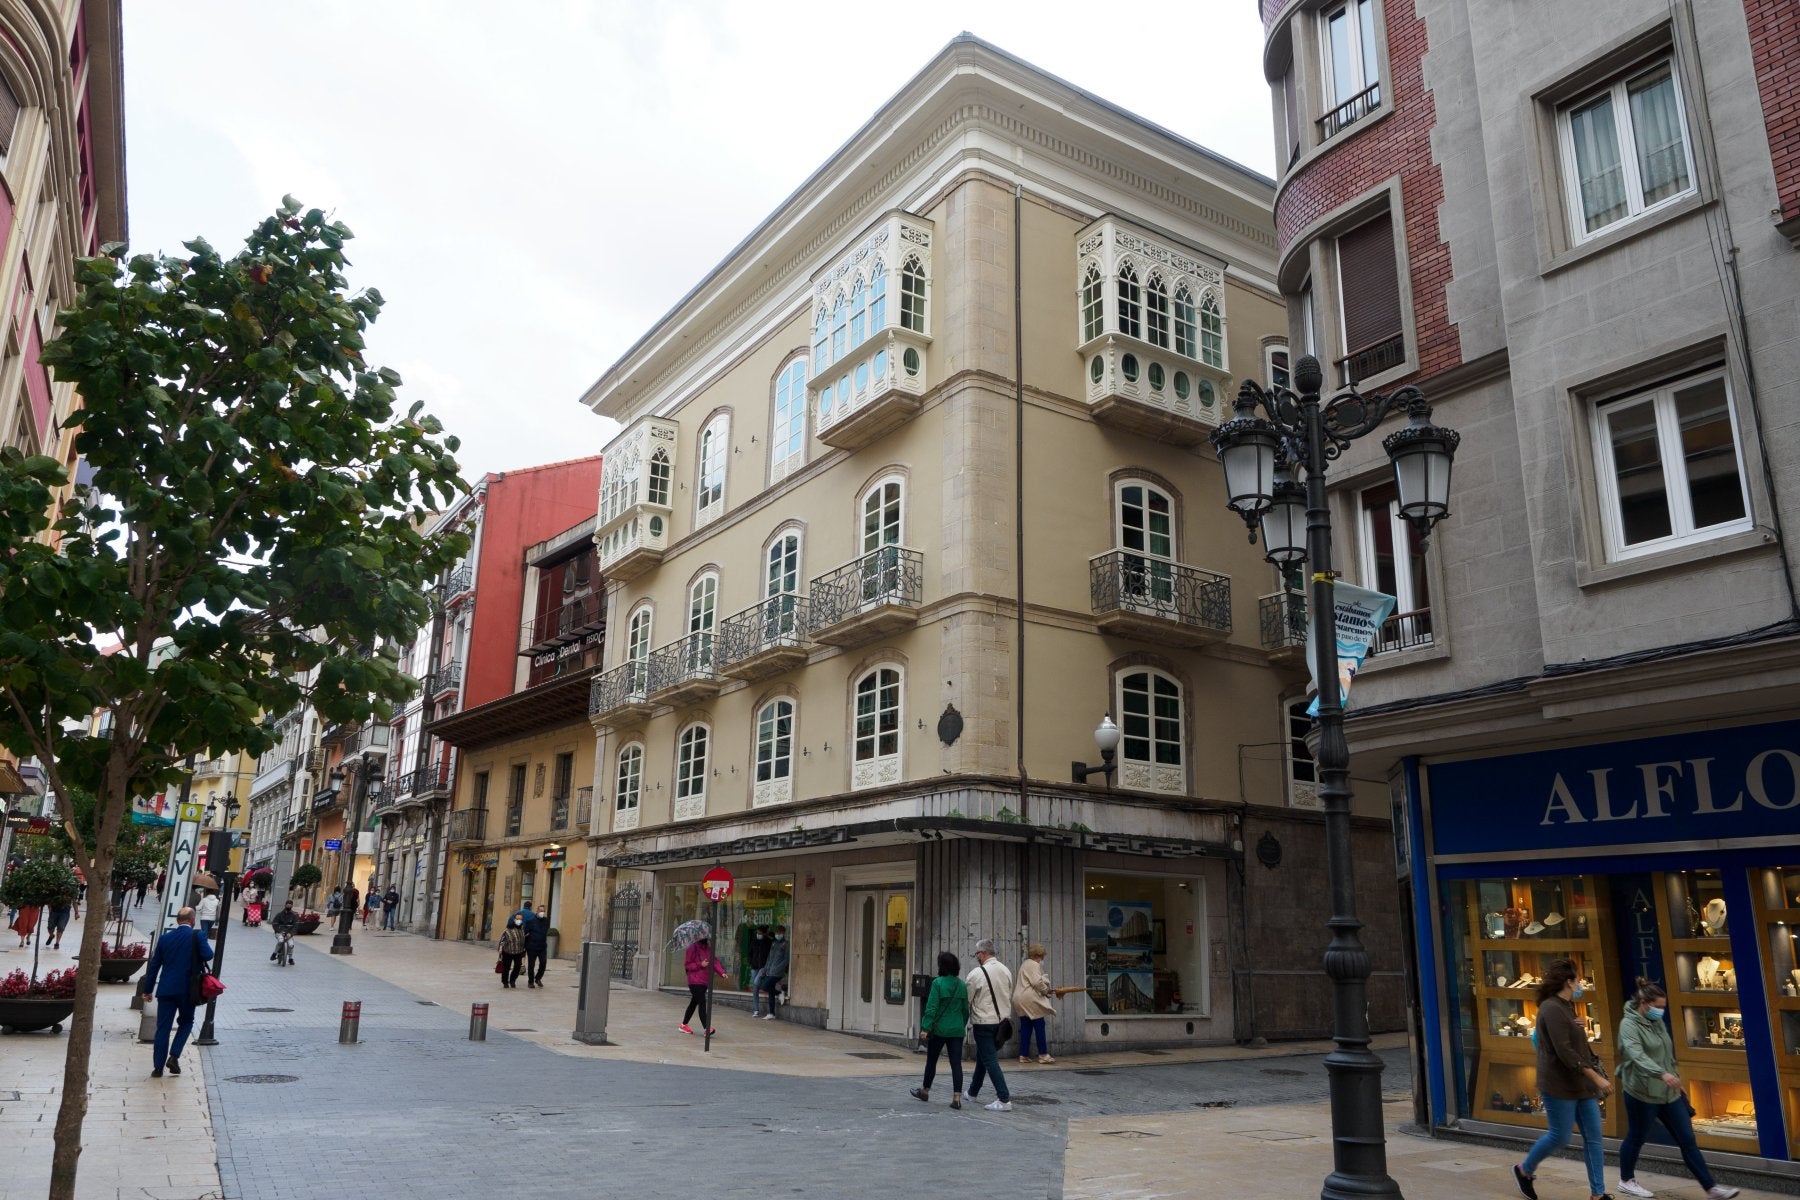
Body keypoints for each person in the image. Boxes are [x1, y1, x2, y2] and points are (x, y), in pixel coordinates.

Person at [1615, 978, 1739, 1199]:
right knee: (1636, 1136)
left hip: (1668, 1092)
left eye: (1663, 1007)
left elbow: (1666, 1054)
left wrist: (1676, 1080)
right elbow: (1636, 1055)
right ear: (1643, 1003)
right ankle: (1626, 1180)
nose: (1661, 1011)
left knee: (1687, 1139)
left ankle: (1711, 1188)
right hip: (1642, 1092)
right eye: (1658, 1006)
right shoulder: (1628, 1025)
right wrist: (1661, 1074)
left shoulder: (1657, 1022)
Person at [1515, 958, 1610, 1200]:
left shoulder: (1567, 1007)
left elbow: (1574, 1042)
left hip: (1581, 1084)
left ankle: (1598, 1194)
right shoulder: (1551, 1008)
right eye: (1578, 980)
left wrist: (1578, 1026)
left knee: (1594, 1138)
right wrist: (1596, 1078)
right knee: (1560, 1136)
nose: (1580, 984)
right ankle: (1524, 1170)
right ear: (1569, 982)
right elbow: (1564, 1051)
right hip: (1558, 1084)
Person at [139, 907, 213, 1078]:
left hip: (166, 989)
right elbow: (208, 955)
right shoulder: (198, 935)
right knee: (186, 1022)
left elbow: (154, 966)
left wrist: (148, 990)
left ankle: (158, 1068)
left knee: (163, 1028)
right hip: (189, 990)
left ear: (178, 920)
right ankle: (174, 1055)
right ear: (192, 920)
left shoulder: (165, 938)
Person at [911, 951, 970, 1108]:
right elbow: (965, 1010)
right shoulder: (962, 985)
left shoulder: (938, 983)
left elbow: (931, 1008)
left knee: (932, 1060)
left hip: (939, 1029)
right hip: (957, 1029)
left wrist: (925, 1028)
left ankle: (925, 1091)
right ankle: (956, 1098)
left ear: (941, 966)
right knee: (956, 1063)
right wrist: (961, 1024)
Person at [962, 938, 1015, 1112]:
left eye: (977, 953)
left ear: (983, 953)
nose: (976, 957)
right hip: (1002, 1023)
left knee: (990, 1060)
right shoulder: (1006, 970)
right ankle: (972, 1092)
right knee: (983, 1058)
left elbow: (967, 1000)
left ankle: (1004, 1098)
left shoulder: (976, 974)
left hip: (983, 1023)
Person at [1014, 942, 1074, 1064]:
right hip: (1030, 1000)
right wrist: (1046, 990)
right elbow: (1037, 982)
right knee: (1039, 1025)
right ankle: (1043, 1054)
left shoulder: (1025, 964)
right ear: (1038, 955)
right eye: (1042, 956)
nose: (1042, 959)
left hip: (1019, 998)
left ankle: (1023, 1055)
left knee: (1026, 1027)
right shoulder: (1034, 964)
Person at [680, 935, 728, 1035]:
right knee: (702, 1002)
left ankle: (683, 1025)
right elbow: (688, 965)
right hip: (694, 981)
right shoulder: (692, 947)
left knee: (694, 1003)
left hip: (704, 981)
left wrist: (722, 972)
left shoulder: (708, 949)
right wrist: (700, 964)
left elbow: (714, 962)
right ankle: (707, 1028)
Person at [756, 925, 790, 1020]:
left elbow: (786, 959)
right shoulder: (774, 943)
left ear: (783, 933)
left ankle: (779, 993)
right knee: (770, 992)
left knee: (764, 986)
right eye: (776, 933)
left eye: (780, 933)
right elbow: (769, 958)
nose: (777, 934)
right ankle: (771, 1013)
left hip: (778, 972)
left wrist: (777, 968)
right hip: (770, 971)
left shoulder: (786, 944)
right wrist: (765, 969)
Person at [746, 926, 772, 1016]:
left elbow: (770, 956)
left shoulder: (768, 942)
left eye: (760, 933)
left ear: (764, 933)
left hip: (763, 967)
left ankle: (770, 990)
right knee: (755, 989)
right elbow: (750, 953)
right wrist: (751, 962)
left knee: (756, 983)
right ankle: (756, 1010)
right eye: (757, 933)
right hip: (754, 967)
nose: (758, 935)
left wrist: (767, 966)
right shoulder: (754, 941)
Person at [497, 912, 528, 988]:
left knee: (517, 967)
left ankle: (512, 980)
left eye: (520, 919)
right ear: (514, 919)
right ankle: (505, 982)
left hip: (519, 952)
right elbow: (502, 940)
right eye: (517, 919)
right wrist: (501, 948)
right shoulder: (508, 929)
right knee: (506, 968)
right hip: (508, 951)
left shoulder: (522, 929)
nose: (519, 920)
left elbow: (524, 938)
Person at [522, 905, 548, 987]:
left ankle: (538, 978)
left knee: (543, 963)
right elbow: (525, 932)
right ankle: (531, 982)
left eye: (543, 911)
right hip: (532, 947)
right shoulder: (531, 921)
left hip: (542, 946)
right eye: (540, 911)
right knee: (531, 965)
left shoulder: (546, 921)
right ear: (537, 911)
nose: (542, 912)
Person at [270, 901, 299, 966]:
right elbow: (274, 924)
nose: (289, 906)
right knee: (280, 941)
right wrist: (279, 931)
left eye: (290, 905)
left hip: (289, 934)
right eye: (288, 904)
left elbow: (296, 926)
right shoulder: (279, 914)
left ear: (292, 906)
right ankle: (274, 954)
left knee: (291, 945)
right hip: (279, 933)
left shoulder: (294, 916)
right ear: (285, 905)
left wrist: (291, 934)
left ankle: (290, 959)